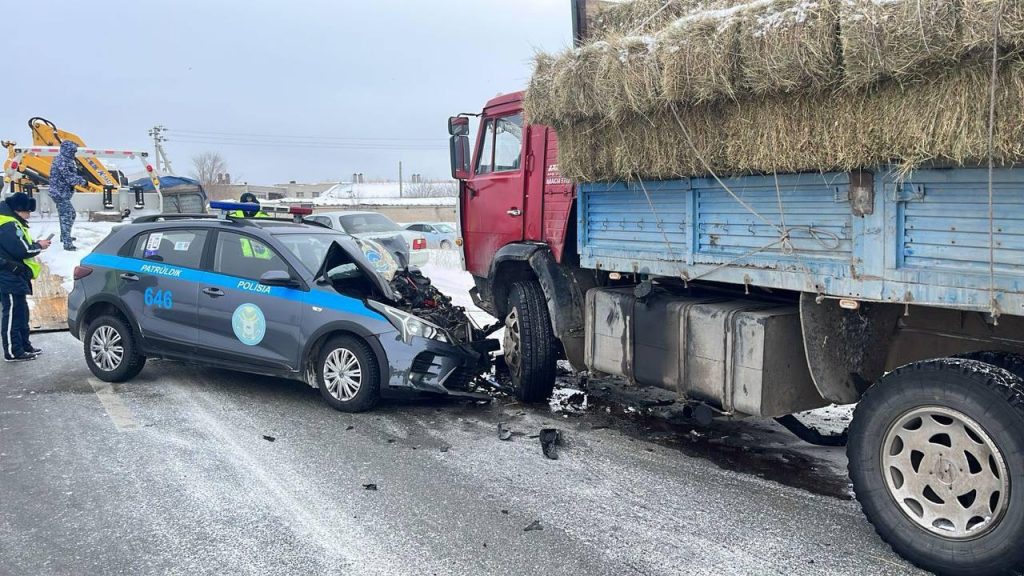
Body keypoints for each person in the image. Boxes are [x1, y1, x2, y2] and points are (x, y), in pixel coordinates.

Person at [0, 192, 51, 362]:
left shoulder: (11, 222)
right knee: (12, 314)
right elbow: (22, 250)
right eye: (28, 211)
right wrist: (39, 246)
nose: (29, 215)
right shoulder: (9, 224)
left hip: (16, 275)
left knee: (21, 313)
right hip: (9, 276)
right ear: (19, 210)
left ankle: (23, 346)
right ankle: (13, 351)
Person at [48, 140, 87, 251]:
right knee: (69, 215)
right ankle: (67, 243)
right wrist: (83, 181)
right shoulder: (62, 160)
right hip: (59, 194)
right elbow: (69, 178)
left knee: (65, 215)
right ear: (68, 150)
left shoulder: (66, 160)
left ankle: (64, 236)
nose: (74, 154)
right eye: (73, 151)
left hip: (63, 193)